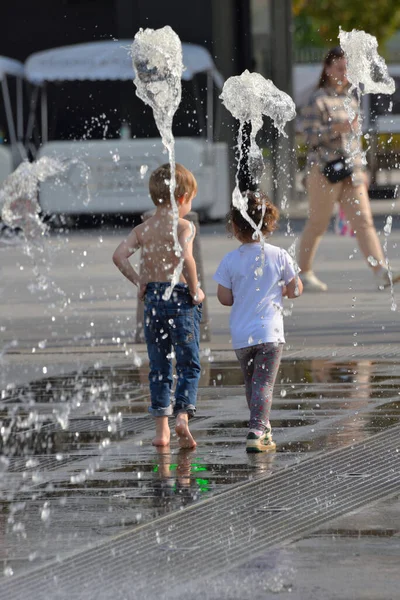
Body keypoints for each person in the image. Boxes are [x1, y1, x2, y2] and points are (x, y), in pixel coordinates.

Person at [112, 163, 205, 449]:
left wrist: (140, 281)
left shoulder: (143, 228)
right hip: (179, 298)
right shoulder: (184, 225)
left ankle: (161, 432)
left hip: (153, 300)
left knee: (159, 366)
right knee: (188, 364)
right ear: (182, 198)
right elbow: (186, 258)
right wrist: (195, 288)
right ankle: (182, 416)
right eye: (190, 199)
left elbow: (119, 256)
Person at [298, 46, 399, 292]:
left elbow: (356, 141)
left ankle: (380, 270)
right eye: (340, 68)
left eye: (347, 69)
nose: (344, 74)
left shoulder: (350, 99)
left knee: (363, 221)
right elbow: (308, 136)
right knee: (318, 223)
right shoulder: (317, 98)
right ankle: (303, 272)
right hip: (324, 170)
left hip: (351, 172)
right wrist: (335, 129)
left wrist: (361, 168)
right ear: (328, 68)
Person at [214, 191, 303, 453]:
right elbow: (296, 288)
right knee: (264, 384)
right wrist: (287, 289)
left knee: (253, 383)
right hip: (270, 334)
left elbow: (224, 298)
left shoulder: (230, 260)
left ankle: (261, 426)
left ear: (234, 227)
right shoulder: (278, 255)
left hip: (242, 335)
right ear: (269, 225)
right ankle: (257, 429)